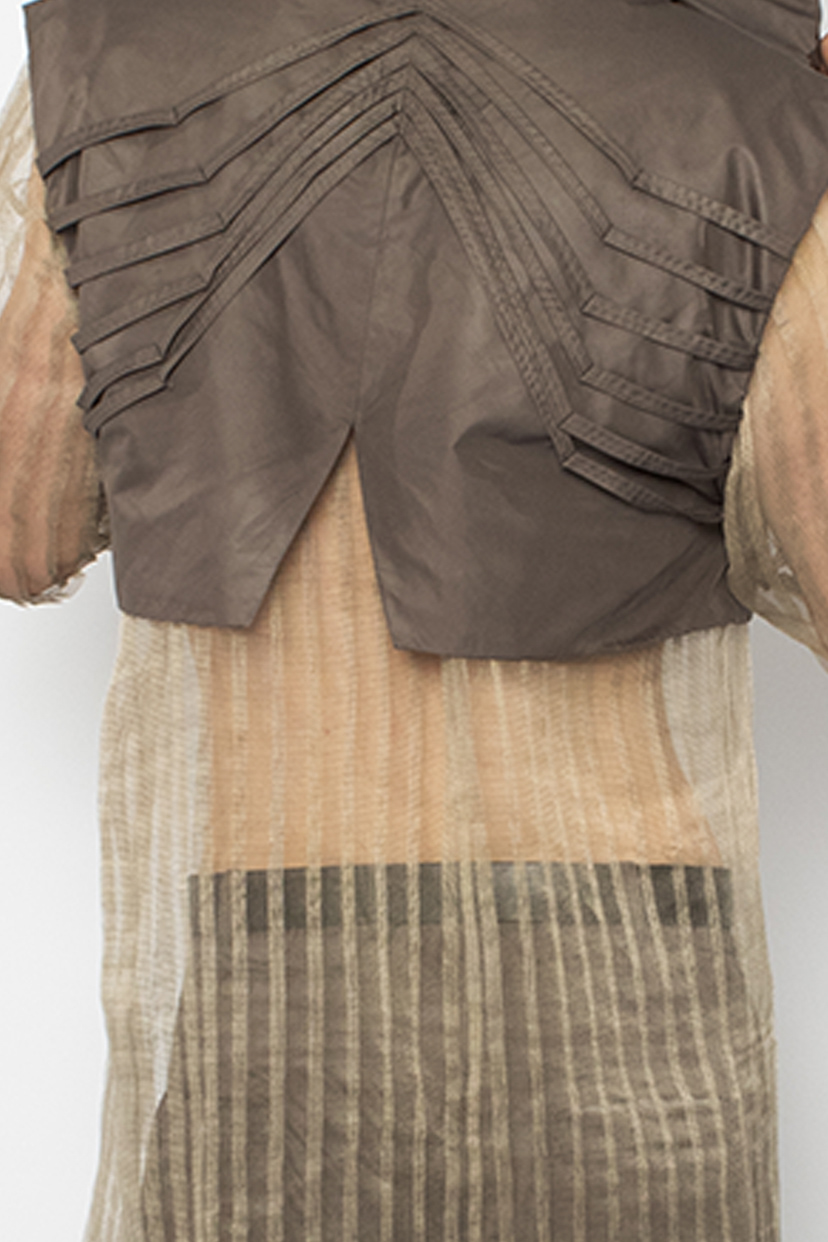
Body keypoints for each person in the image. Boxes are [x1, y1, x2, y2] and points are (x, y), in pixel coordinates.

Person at [2, 2, 828, 1239]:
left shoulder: (117, 61)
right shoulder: (747, 92)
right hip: (627, 969)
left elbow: (23, 529)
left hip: (265, 935)